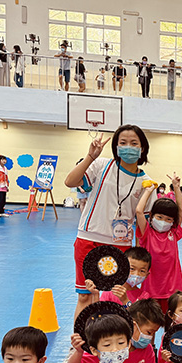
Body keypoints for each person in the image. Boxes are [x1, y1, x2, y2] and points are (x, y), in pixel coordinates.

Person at [64, 125, 152, 322]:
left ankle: (108, 340)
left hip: (120, 245)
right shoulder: (101, 165)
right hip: (89, 238)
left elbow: (143, 221)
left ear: (142, 148)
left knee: (115, 297)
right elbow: (70, 181)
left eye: (133, 143)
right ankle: (81, 344)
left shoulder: (147, 183)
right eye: (122, 143)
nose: (128, 147)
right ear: (116, 146)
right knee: (85, 295)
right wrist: (90, 157)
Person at [135, 175, 182, 312]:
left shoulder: (173, 232)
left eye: (168, 219)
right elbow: (139, 211)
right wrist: (149, 191)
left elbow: (181, 209)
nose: (163, 221)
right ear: (151, 216)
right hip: (151, 289)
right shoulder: (147, 232)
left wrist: (176, 187)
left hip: (174, 288)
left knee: (172, 324)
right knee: (149, 325)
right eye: (159, 217)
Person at [86, 247, 151, 308]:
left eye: (142, 271)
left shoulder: (144, 297)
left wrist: (125, 301)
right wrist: (95, 295)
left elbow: (138, 318)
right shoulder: (110, 291)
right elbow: (99, 314)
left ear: (147, 275)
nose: (136, 274)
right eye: (132, 269)